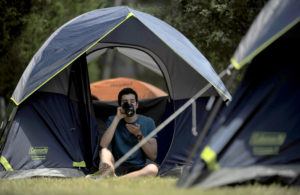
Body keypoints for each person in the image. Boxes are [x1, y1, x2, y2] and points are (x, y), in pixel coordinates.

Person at [99, 88, 158, 178]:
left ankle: (114, 180)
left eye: (132, 101)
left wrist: (138, 134)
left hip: (139, 167)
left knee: (153, 169)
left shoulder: (148, 122)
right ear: (120, 105)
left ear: (137, 105)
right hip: (118, 165)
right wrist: (117, 118)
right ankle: (111, 175)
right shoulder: (113, 119)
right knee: (104, 152)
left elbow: (153, 156)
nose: (129, 104)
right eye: (125, 102)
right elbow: (103, 144)